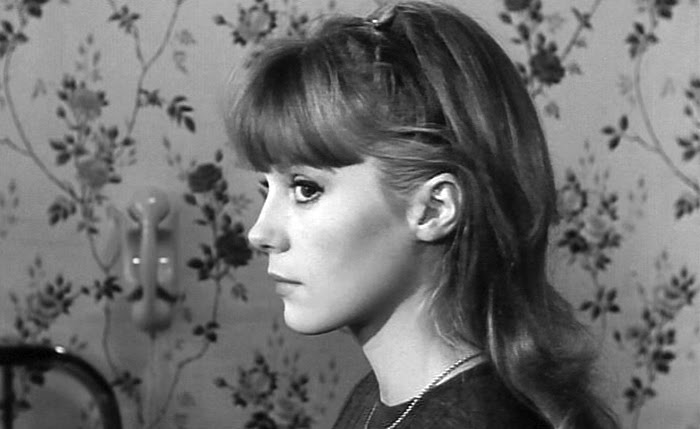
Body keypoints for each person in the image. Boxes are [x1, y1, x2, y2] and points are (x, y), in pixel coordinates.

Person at [225, 1, 619, 428]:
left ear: (435, 209)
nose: (259, 233)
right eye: (267, 189)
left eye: (305, 189)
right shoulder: (376, 399)